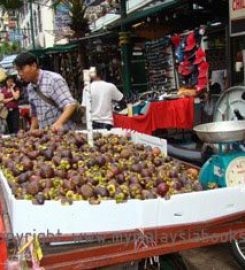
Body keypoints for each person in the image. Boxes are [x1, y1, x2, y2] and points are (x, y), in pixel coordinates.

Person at [14, 52, 77, 131]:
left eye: (21, 69)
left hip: (64, 134)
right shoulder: (30, 88)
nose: (20, 74)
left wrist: (58, 123)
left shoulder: (53, 80)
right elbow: (35, 113)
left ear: (33, 66)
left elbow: (70, 105)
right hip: (46, 136)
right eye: (18, 71)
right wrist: (32, 130)